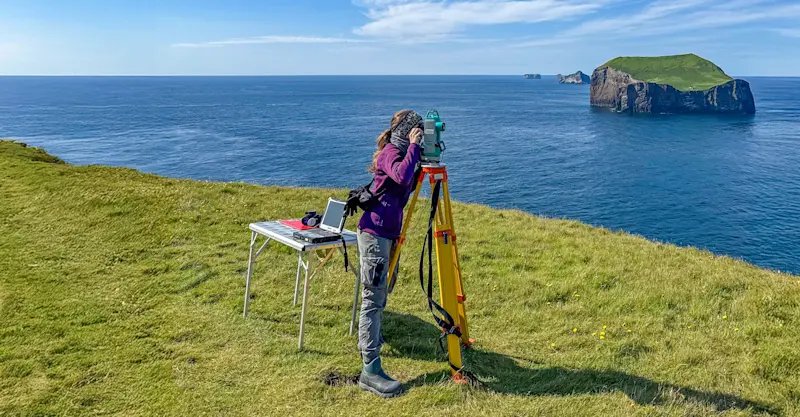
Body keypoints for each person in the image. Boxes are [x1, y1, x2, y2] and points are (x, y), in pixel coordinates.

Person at [356, 109, 424, 398]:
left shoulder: (402, 153)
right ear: (407, 132)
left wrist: (420, 154)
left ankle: (370, 338)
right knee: (373, 297)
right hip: (375, 232)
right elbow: (402, 175)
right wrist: (415, 148)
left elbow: (408, 180)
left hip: (388, 232)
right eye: (417, 131)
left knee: (383, 290)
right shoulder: (390, 153)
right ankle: (370, 370)